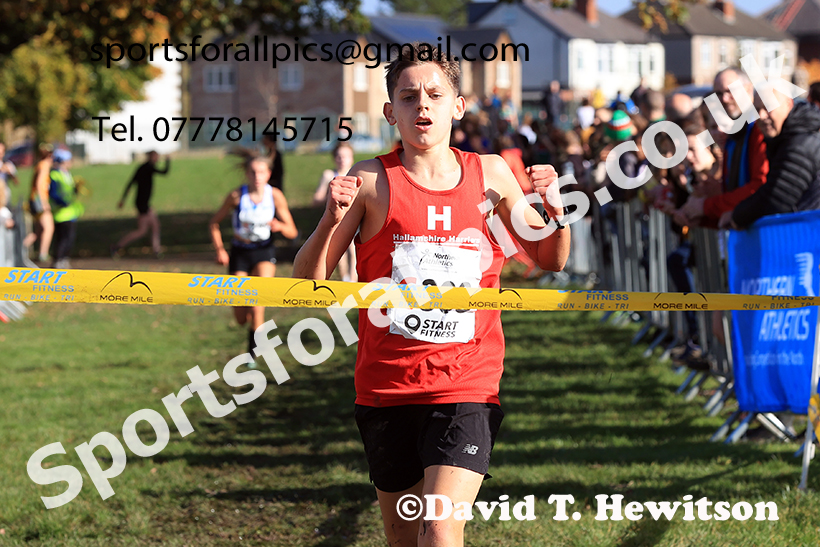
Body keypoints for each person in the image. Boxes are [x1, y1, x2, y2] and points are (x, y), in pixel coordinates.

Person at [293, 42, 570, 547]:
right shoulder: (372, 181)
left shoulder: (490, 175)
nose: (422, 105)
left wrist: (557, 210)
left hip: (466, 382)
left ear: (457, 106)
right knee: (404, 541)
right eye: (408, 96)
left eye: (435, 94)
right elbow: (308, 285)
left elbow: (550, 258)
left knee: (440, 529)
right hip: (387, 387)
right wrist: (330, 222)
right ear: (389, 111)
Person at [210, 152, 298, 355]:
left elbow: (292, 231)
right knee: (241, 316)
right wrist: (220, 250)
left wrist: (280, 226)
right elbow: (213, 223)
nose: (257, 176)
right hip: (240, 252)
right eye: (252, 172)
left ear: (268, 174)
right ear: (247, 174)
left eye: (261, 172)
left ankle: (252, 353)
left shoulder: (274, 195)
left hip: (263, 251)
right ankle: (249, 322)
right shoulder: (236, 196)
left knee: (258, 303)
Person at [677, 67, 769, 227]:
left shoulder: (759, 128)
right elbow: (731, 198)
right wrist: (699, 215)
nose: (725, 99)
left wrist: (706, 207)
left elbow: (760, 188)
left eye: (730, 91)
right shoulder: (733, 136)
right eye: (718, 93)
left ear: (748, 89)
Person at [721, 89, 820, 229]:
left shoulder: (801, 144)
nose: (761, 116)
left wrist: (737, 216)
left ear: (788, 104)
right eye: (757, 110)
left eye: (768, 107)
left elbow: (778, 199)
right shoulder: (785, 139)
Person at [112, 151, 170, 258]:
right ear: (151, 157)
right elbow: (165, 172)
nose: (157, 159)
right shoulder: (147, 168)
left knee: (152, 227)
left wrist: (123, 200)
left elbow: (130, 183)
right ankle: (117, 246)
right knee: (143, 230)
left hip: (143, 203)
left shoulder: (143, 168)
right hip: (142, 204)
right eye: (156, 157)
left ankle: (156, 250)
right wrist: (168, 161)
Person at [313, 142, 357, 281]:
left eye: (346, 156)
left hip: (354, 218)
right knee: (340, 252)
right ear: (334, 158)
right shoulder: (329, 175)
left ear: (352, 158)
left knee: (353, 249)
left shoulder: (357, 175)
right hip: (336, 218)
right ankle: (345, 279)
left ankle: (353, 281)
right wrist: (330, 197)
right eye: (339, 156)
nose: (342, 159)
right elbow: (316, 199)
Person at [48, 149, 83, 268]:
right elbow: (53, 193)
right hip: (61, 213)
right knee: (63, 238)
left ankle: (64, 259)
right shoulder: (55, 174)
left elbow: (67, 191)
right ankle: (58, 261)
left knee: (69, 238)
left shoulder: (66, 173)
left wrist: (76, 189)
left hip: (71, 212)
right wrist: (62, 202)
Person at [22, 144, 54, 262]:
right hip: (38, 200)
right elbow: (40, 184)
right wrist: (44, 202)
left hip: (34, 200)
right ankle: (43, 254)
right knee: (49, 227)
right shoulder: (44, 165)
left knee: (38, 231)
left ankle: (19, 248)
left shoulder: (40, 164)